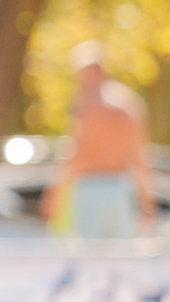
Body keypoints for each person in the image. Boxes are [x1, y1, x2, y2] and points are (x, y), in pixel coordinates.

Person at [50, 43, 152, 241]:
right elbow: (140, 156)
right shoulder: (128, 103)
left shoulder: (87, 105)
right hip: (121, 189)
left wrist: (54, 194)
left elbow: (73, 152)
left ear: (93, 71)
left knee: (90, 262)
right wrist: (147, 202)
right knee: (121, 261)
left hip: (89, 189)